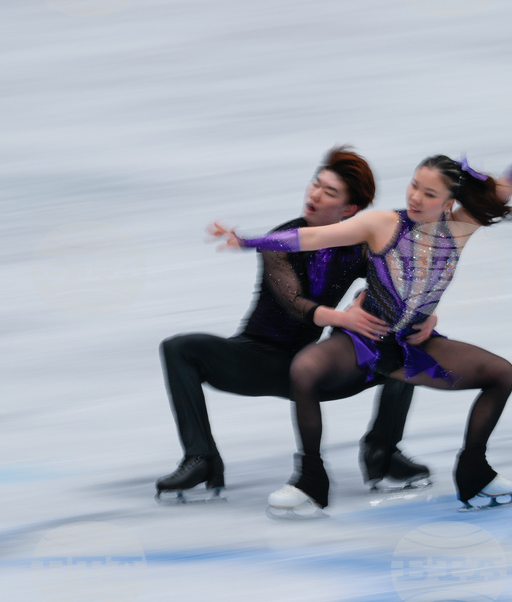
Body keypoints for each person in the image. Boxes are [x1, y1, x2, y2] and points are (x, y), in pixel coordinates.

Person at [211, 137, 512, 511]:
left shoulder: (460, 227)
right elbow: (312, 236)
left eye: (429, 193)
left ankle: (474, 471)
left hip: (412, 347)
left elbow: (504, 188)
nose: (415, 198)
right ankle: (310, 481)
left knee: (502, 374)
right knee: (305, 368)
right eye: (414, 185)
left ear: (449, 202)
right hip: (365, 341)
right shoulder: (381, 223)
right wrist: (246, 241)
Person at [156, 146, 436, 502]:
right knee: (179, 348)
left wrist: (424, 315)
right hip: (259, 359)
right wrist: (341, 318)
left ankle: (382, 452)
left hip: (315, 369)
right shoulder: (280, 242)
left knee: (408, 349)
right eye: (316, 184)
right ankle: (201, 458)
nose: (315, 195)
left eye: (329, 192)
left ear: (349, 210)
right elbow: (293, 303)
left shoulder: (360, 246)